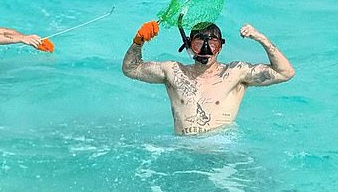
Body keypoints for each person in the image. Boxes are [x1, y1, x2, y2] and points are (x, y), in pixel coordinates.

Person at [122, 19, 295, 135]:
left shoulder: (235, 72)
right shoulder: (173, 72)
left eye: (212, 45)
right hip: (183, 151)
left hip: (221, 150)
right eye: (199, 44)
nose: (206, 51)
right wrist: (138, 41)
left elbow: (285, 72)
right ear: (189, 45)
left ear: (220, 48)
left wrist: (261, 38)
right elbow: (130, 69)